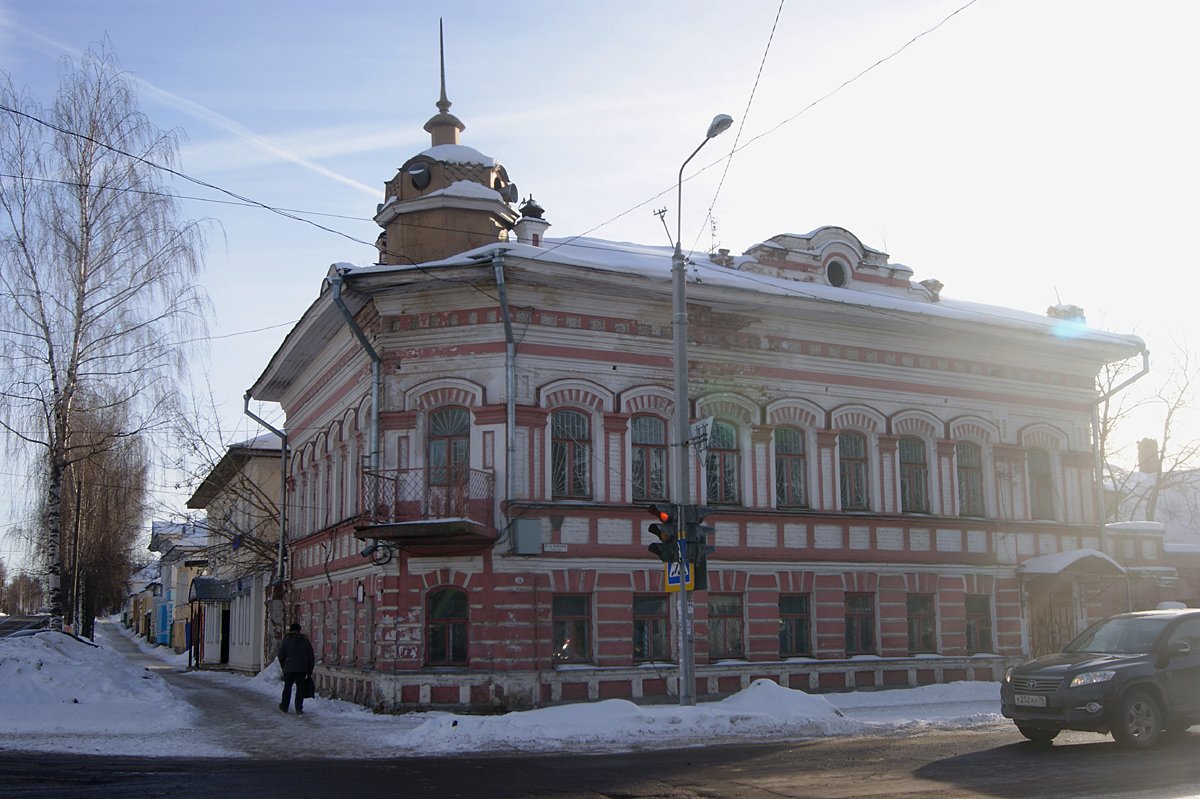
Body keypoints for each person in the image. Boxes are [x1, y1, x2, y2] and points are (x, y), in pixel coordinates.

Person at [276, 622, 315, 715]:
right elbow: (311, 656)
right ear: (299, 630)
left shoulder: (286, 640)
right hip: (302, 669)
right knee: (300, 689)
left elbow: (281, 655)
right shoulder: (305, 640)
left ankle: (284, 706)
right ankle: (299, 708)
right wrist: (309, 670)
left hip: (289, 668)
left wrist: (284, 666)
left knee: (287, 687)